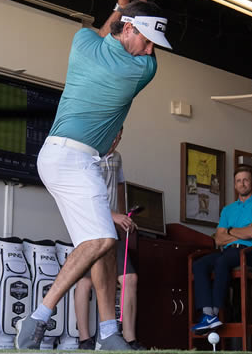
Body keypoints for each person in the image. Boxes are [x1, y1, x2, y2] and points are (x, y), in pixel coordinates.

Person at [15, 0, 171, 351]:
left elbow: (105, 35)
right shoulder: (139, 71)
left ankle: (108, 332)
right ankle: (36, 318)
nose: (150, 51)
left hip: (71, 159)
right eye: (147, 41)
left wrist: (121, 5)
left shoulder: (82, 43)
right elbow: (126, 32)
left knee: (103, 244)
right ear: (130, 29)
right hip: (70, 158)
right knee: (101, 239)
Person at [74, 130, 145, 350]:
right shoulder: (87, 157)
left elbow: (120, 185)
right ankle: (85, 341)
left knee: (129, 279)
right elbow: (83, 198)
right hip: (90, 229)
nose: (115, 141)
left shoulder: (117, 157)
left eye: (119, 137)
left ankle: (129, 339)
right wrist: (112, 215)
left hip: (112, 230)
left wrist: (123, 217)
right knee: (85, 283)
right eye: (112, 136)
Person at [191, 167, 252, 335]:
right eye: (238, 181)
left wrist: (230, 231)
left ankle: (215, 312)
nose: (242, 184)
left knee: (222, 261)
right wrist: (239, 232)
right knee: (199, 264)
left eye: (246, 180)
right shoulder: (228, 210)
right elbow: (218, 239)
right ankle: (207, 315)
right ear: (235, 185)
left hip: (251, 254)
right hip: (228, 252)